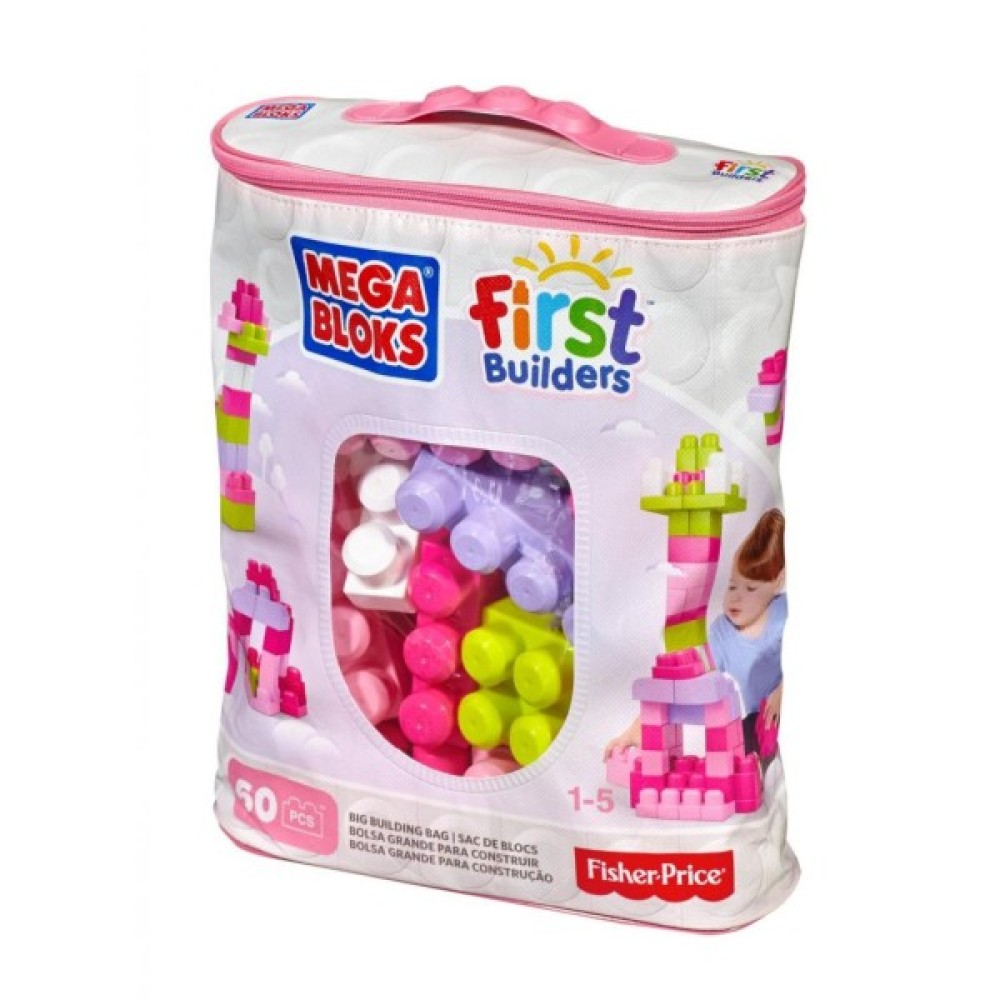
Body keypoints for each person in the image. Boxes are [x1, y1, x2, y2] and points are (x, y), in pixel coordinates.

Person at [603, 508, 786, 760]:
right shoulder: (724, 633)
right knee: (744, 741)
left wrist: (781, 692)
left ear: (778, 582)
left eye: (751, 589)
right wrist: (639, 727)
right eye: (732, 585)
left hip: (788, 714)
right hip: (759, 723)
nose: (736, 598)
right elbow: (683, 680)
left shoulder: (783, 613)